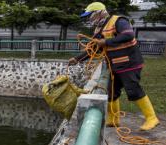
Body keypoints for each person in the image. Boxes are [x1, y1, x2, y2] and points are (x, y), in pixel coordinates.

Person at [68, 2, 160, 131]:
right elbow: (95, 48)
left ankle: (151, 118)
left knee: (133, 89)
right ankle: (114, 119)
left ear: (99, 13)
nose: (89, 19)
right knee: (112, 92)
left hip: (129, 62)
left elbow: (128, 35)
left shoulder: (118, 21)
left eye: (91, 15)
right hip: (114, 64)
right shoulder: (99, 29)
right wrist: (77, 59)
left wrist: (106, 41)